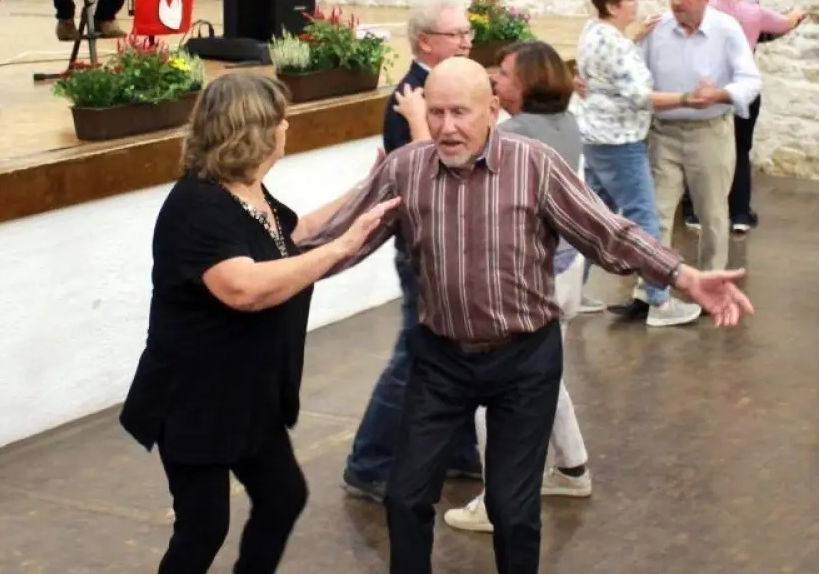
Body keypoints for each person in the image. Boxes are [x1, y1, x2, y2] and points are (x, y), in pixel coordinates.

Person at [298, 57, 753, 574]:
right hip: (441, 360)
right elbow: (342, 236)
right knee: (404, 498)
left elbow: (608, 233)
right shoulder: (406, 169)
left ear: (492, 109)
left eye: (461, 113)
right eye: (437, 112)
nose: (447, 127)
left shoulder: (533, 165)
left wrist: (683, 277)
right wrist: (264, 267)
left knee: (512, 512)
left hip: (523, 362)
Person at [120, 72, 400, 574]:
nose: (287, 128)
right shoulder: (196, 206)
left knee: (282, 496)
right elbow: (243, 288)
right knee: (203, 527)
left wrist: (369, 189)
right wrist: (342, 248)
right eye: (278, 120)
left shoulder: (250, 194)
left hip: (249, 395)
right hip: (195, 400)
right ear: (253, 131)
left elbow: (300, 232)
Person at [389, 42, 592, 532]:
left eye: (504, 75)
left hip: (527, 288)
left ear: (499, 104)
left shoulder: (522, 146)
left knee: (506, 414)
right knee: (544, 388)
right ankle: (572, 465)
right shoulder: (565, 125)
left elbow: (446, 155)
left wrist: (419, 122)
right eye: (439, 112)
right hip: (559, 272)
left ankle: (501, 493)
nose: (499, 79)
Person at [341, 0, 481, 503]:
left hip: (443, 245)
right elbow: (425, 180)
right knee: (414, 357)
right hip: (425, 247)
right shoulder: (412, 98)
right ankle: (370, 463)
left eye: (467, 31)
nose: (467, 40)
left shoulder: (432, 94)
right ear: (425, 41)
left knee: (456, 351)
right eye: (456, 33)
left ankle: (462, 450)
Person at [574, 0, 703, 326]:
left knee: (590, 222)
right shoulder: (614, 43)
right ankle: (660, 302)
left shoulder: (594, 30)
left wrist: (632, 36)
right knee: (645, 219)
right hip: (620, 143)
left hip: (597, 138)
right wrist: (688, 98)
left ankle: (570, 291)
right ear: (614, 6)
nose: (637, 4)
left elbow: (606, 72)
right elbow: (639, 96)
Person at [636, 0, 761, 281]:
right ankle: (653, 290)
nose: (676, 1)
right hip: (664, 134)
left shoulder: (727, 29)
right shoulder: (657, 28)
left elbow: (750, 80)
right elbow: (636, 74)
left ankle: (712, 281)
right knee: (658, 214)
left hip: (710, 134)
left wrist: (719, 95)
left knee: (713, 215)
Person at [677, 0, 806, 233]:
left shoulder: (704, 8)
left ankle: (696, 213)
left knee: (702, 148)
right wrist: (799, 12)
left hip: (706, 86)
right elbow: (785, 23)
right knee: (740, 149)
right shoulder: (754, 12)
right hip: (740, 89)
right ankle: (739, 215)